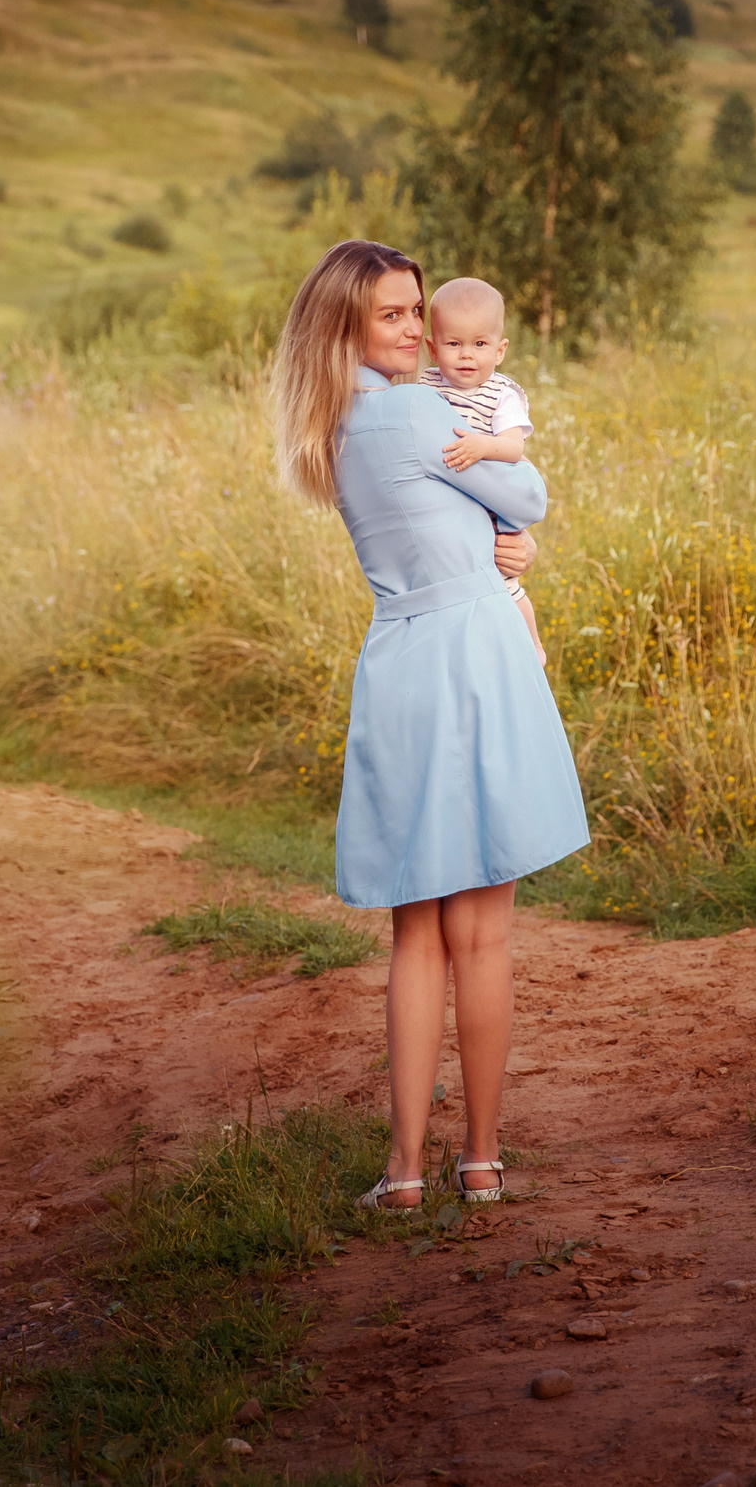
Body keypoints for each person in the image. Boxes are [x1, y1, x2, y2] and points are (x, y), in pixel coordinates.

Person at [270, 239, 590, 1212]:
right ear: (348, 328)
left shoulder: (335, 425)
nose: (416, 331)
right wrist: (517, 533)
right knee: (480, 934)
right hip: (475, 656)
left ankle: (403, 1172)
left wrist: (498, 536)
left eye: (417, 311)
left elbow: (448, 520)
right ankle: (481, 1160)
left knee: (415, 930)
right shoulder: (422, 410)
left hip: (400, 661)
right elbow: (525, 494)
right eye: (394, 317)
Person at [422, 275, 548, 669]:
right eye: (453, 344)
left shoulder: (501, 394)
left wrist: (482, 446)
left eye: (480, 344)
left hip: (491, 501)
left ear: (500, 349)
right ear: (432, 347)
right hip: (451, 502)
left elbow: (513, 448)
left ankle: (534, 649)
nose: (466, 356)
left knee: (507, 583)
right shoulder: (424, 385)